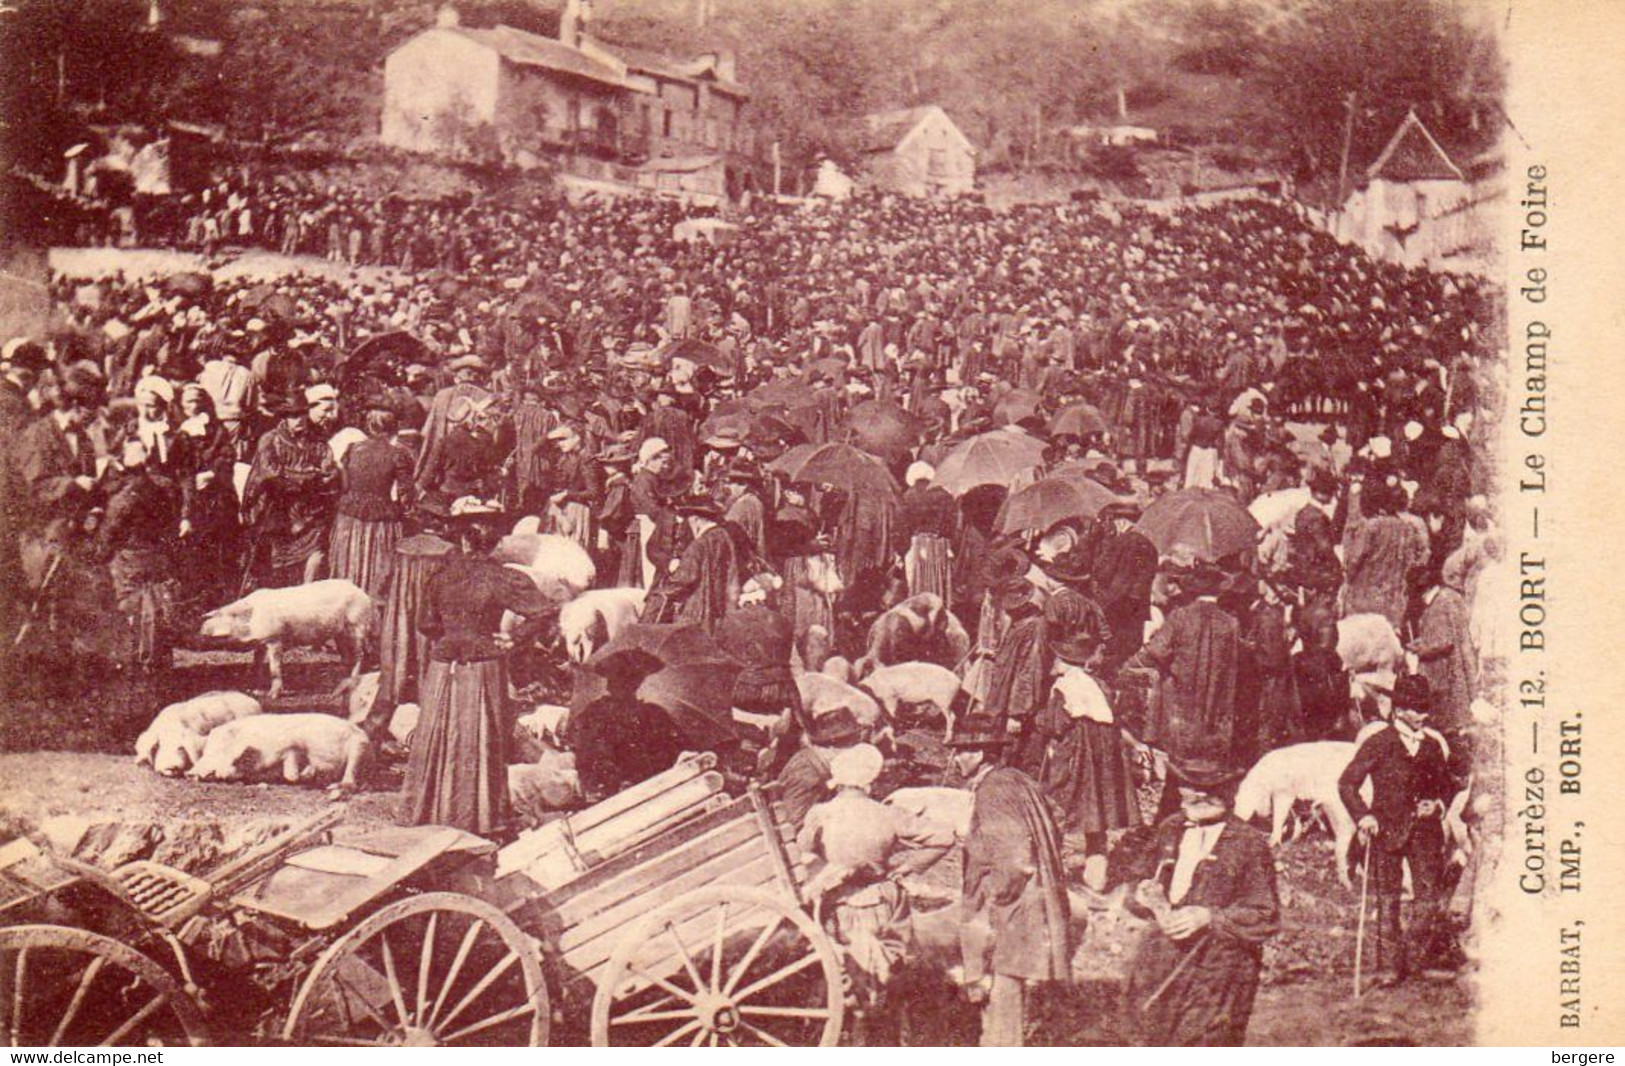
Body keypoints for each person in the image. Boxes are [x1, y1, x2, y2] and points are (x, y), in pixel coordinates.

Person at [403, 506, 551, 834]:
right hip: (484, 663)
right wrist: (513, 639)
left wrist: (453, 632)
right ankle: (479, 816)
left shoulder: (440, 576)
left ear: (464, 542)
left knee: (439, 735)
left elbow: (426, 624)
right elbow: (543, 611)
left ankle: (431, 811)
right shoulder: (504, 577)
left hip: (444, 664)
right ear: (494, 543)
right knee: (481, 737)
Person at [799, 743, 954, 1039]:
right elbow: (944, 836)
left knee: (845, 976)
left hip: (838, 906)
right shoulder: (889, 815)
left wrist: (832, 870)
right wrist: (909, 867)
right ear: (870, 780)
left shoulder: (821, 814)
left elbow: (803, 856)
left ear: (839, 778)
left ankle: (846, 1039)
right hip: (882, 903)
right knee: (887, 976)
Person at [1123, 755, 1279, 1045]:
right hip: (1163, 960)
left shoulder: (1248, 843)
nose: (1195, 798)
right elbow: (1137, 884)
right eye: (1188, 790)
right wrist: (1146, 896)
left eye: (1210, 791)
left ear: (1229, 795)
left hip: (1219, 969)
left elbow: (1265, 914)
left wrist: (1209, 917)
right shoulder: (1170, 829)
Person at [951, 715, 1071, 1048]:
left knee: (1003, 994)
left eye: (962, 750)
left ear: (980, 754)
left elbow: (1014, 858)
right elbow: (1056, 821)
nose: (957, 757)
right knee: (1014, 991)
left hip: (1014, 903)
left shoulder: (993, 790)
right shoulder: (1019, 779)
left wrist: (996, 898)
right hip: (1039, 894)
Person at [1338, 674, 1456, 986]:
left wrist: (1438, 805)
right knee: (1387, 901)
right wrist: (1363, 816)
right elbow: (1347, 784)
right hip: (1385, 832)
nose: (1423, 715)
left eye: (1425, 709)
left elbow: (1446, 786)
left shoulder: (1431, 746)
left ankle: (1418, 962)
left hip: (1426, 834)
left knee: (1428, 898)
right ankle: (1389, 967)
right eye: (1417, 709)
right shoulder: (1379, 743)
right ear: (1400, 709)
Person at [1037, 593, 1140, 891]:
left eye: (1057, 658)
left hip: (1077, 756)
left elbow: (1055, 725)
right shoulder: (1098, 685)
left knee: (1058, 809)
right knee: (1098, 820)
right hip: (1106, 759)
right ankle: (1097, 876)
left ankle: (1049, 872)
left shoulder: (1064, 687)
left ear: (1066, 660)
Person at [240, 382, 341, 589]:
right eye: (293, 416)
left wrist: (323, 477)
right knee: (274, 568)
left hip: (308, 512)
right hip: (277, 511)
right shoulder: (270, 440)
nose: (299, 421)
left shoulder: (318, 442)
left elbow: (328, 471)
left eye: (302, 414)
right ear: (284, 418)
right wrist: (306, 478)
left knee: (312, 561)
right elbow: (270, 474)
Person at [92, 439, 181, 671]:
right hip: (158, 555)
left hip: (129, 559)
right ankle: (160, 660)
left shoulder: (123, 496)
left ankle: (134, 661)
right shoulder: (166, 488)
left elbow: (110, 530)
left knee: (130, 609)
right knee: (159, 607)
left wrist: (99, 552)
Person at [566, 646, 689, 804]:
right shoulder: (653, 714)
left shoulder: (592, 714)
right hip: (649, 792)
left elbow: (584, 760)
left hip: (623, 795)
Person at [330, 407, 414, 600]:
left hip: (349, 514)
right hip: (380, 516)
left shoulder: (352, 449)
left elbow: (344, 482)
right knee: (377, 561)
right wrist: (404, 508)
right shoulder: (398, 453)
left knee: (349, 560)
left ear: (369, 426)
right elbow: (405, 492)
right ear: (394, 428)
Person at [655, 495, 739, 631]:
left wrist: (664, 587)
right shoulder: (724, 537)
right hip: (723, 609)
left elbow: (684, 580)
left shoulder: (698, 545)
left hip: (699, 610)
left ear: (696, 520)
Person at [775, 705, 864, 829]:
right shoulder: (806, 773)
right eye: (851, 744)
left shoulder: (815, 763)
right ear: (833, 746)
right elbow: (795, 824)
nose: (854, 751)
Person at [899, 460, 954, 602]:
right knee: (938, 580)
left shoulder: (907, 496)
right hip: (940, 544)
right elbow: (951, 523)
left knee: (915, 581)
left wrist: (901, 550)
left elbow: (902, 526)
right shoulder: (944, 494)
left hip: (916, 544)